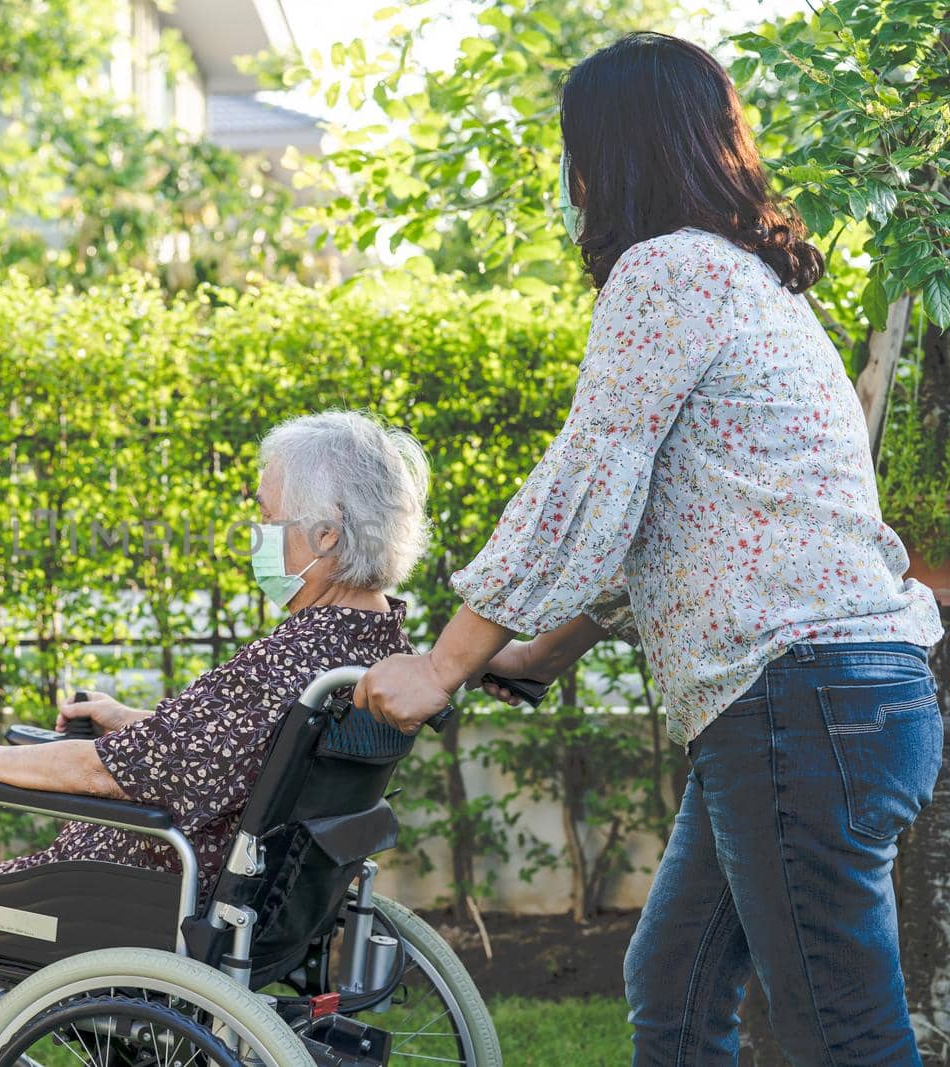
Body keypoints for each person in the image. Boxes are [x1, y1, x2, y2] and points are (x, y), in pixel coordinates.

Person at [355, 31, 944, 1066]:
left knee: (839, 1034)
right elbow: (685, 524)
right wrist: (538, 652)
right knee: (671, 987)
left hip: (794, 705)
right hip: (827, 698)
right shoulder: (755, 284)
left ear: (607, 153)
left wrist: (442, 662)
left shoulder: (666, 271)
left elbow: (586, 479)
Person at [0, 410, 431, 1067]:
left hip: (142, 906)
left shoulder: (297, 656)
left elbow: (109, 774)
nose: (257, 532)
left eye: (267, 516)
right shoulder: (369, 643)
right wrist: (132, 719)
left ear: (324, 534)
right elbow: (236, 750)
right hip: (254, 907)